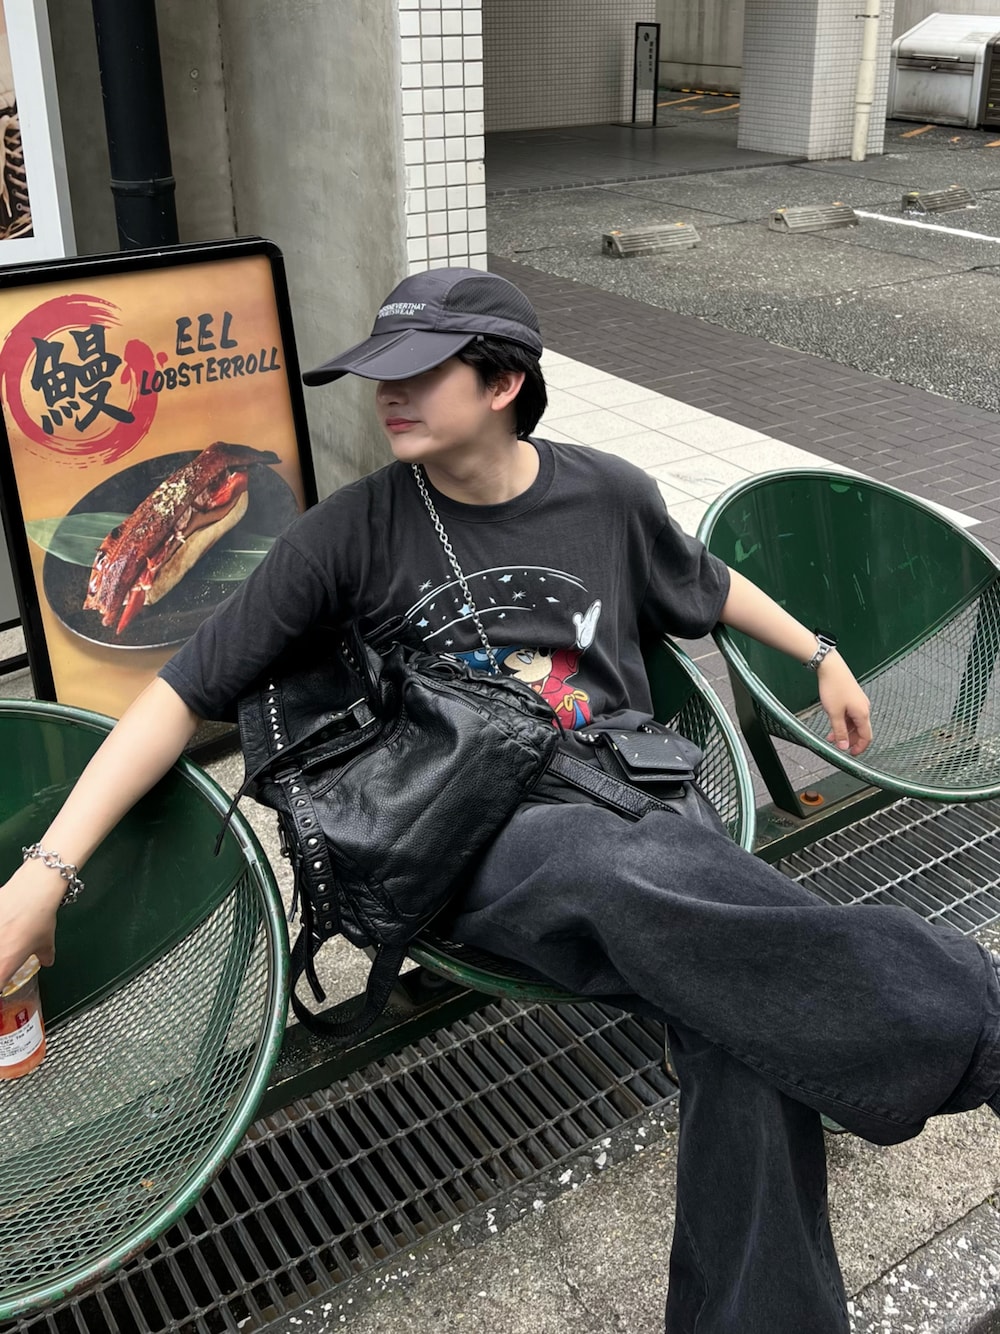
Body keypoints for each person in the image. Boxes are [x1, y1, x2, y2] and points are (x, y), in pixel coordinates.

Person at [2, 267, 1000, 1334]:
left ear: (503, 383)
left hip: (640, 799)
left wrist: (824, 653)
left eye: (417, 372)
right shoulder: (351, 531)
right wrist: (43, 872)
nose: (386, 394)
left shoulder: (607, 492)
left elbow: (707, 583)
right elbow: (178, 694)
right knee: (642, 883)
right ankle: (975, 1019)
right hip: (477, 834)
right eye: (378, 373)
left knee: (743, 1021)